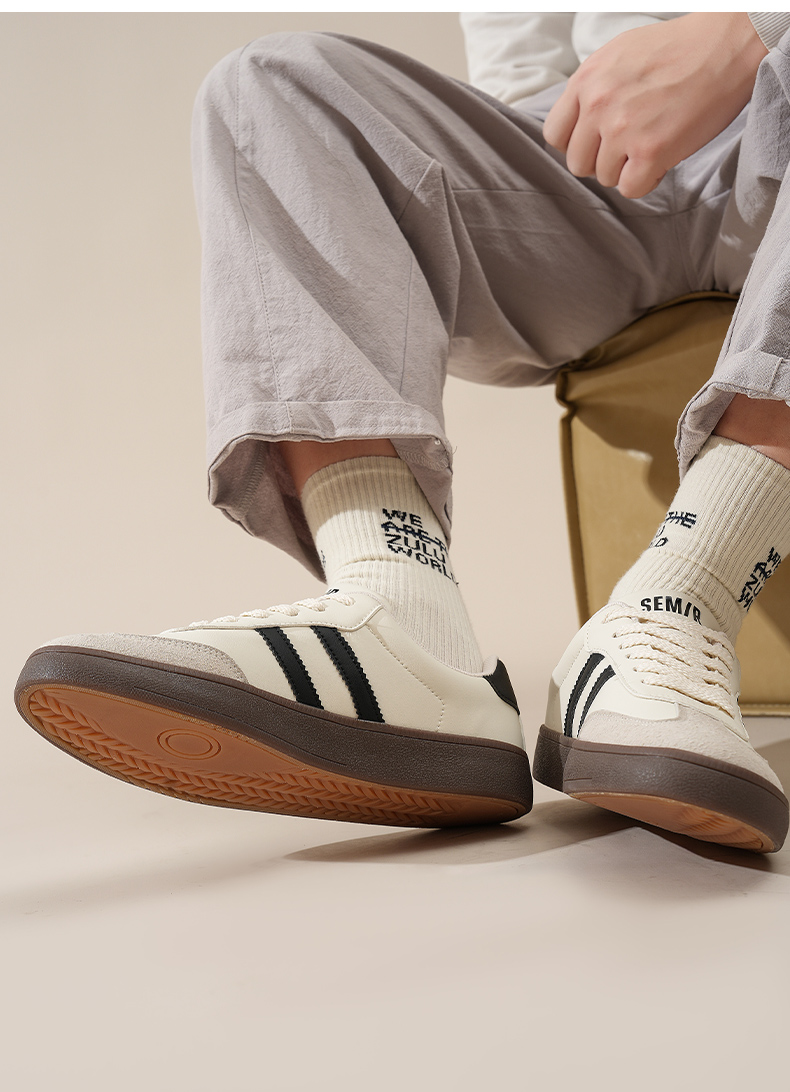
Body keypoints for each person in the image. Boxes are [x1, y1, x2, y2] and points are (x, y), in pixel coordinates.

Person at [14, 12, 790, 850]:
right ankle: (409, 625)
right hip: (598, 168)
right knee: (272, 88)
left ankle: (675, 611)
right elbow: (524, 62)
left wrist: (748, 34)